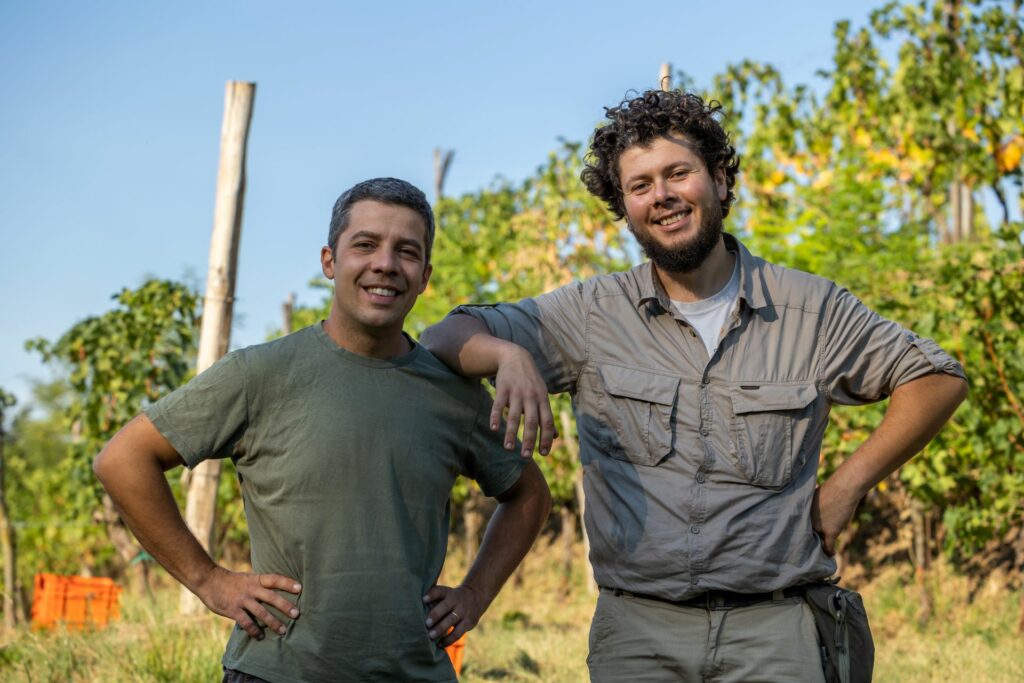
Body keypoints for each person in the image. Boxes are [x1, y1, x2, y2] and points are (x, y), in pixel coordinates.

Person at [421, 91, 968, 682]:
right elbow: (443, 336)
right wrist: (507, 354)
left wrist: (848, 485)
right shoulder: (591, 314)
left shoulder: (810, 309)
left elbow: (937, 377)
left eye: (678, 173)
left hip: (776, 631)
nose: (661, 195)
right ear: (625, 208)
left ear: (721, 180)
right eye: (640, 185)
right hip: (638, 636)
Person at [94, 177, 551, 683]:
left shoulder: (453, 393)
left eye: (406, 251)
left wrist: (475, 594)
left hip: (415, 672)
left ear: (424, 276)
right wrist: (208, 580)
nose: (385, 264)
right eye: (365, 245)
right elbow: (123, 460)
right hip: (277, 671)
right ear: (329, 261)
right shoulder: (258, 374)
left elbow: (529, 494)